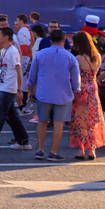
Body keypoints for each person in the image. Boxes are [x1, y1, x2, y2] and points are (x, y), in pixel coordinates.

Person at [26, 29, 80, 161]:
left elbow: (32, 76)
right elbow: (75, 80)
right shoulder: (70, 57)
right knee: (58, 123)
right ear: (64, 40)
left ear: (50, 40)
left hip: (44, 93)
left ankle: (40, 149)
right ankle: (54, 152)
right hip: (63, 95)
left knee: (42, 122)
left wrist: (31, 89)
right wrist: (75, 90)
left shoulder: (40, 54)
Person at [70, 31, 105, 160]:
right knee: (92, 120)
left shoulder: (79, 58)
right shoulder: (97, 56)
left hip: (82, 90)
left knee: (80, 121)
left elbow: (75, 76)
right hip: (94, 89)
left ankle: (81, 150)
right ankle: (92, 150)